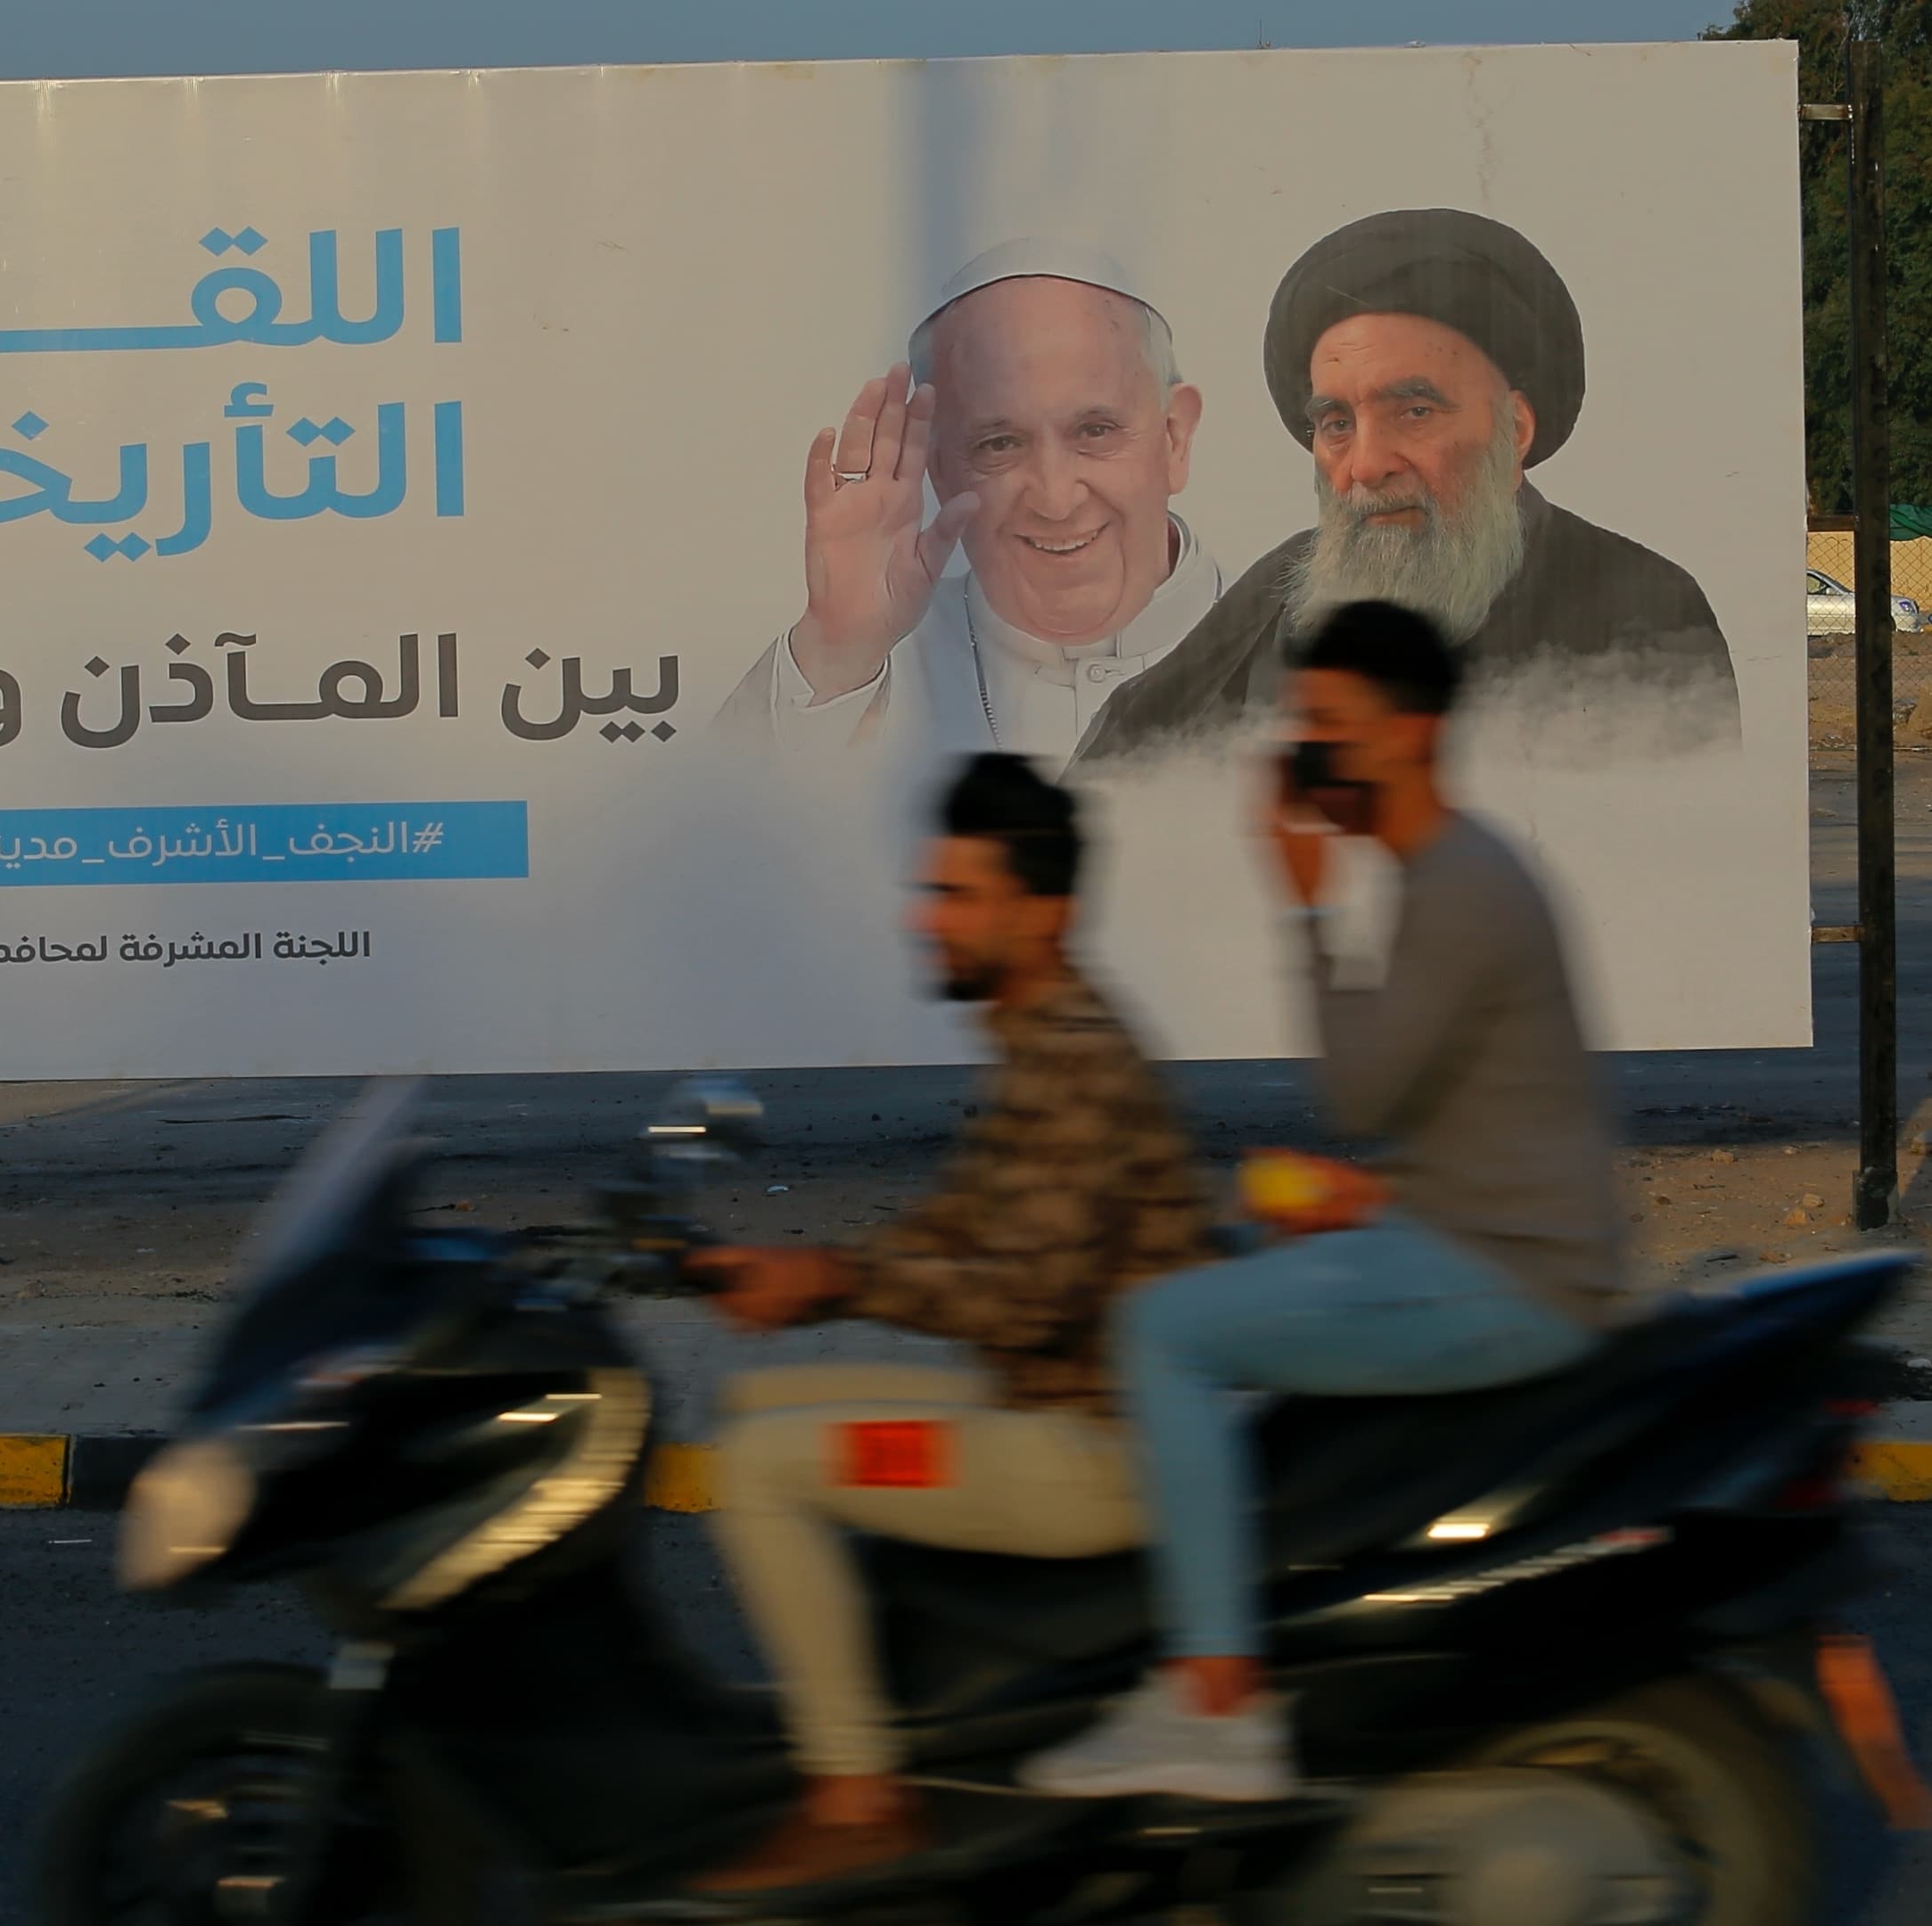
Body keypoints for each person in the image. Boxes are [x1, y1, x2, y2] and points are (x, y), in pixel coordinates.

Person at [1024, 600, 1632, 1802]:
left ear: (1407, 734)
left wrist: (1302, 903)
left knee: (1166, 1331)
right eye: (1300, 721)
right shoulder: (1442, 870)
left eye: (1327, 724)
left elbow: (1356, 1091)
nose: (1303, 749)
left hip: (1514, 1277)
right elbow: (1452, 1110)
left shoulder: (1457, 882)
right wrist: (1367, 1196)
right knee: (1214, 1244)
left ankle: (1216, 1697)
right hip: (1469, 1229)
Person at [684, 753, 1211, 1890]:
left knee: (761, 1466)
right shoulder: (1042, 1042)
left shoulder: (1074, 1064)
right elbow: (952, 1230)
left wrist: (830, 1284)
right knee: (746, 1404)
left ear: (1044, 913)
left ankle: (858, 1795)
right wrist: (774, 1268)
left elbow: (1025, 1298)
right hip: (1043, 1400)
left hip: (1092, 1454)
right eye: (932, 892)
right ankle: (870, 1692)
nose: (928, 922)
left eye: (959, 897)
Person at [1075, 209, 1739, 766]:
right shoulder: (1285, 584)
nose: (1365, 465)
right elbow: (1123, 770)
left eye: (1414, 412)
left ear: (1517, 429)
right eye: (1336, 422)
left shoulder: (1643, 604)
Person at [713, 239, 1222, 774]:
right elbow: (707, 843)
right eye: (999, 444)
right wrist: (835, 650)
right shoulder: (859, 672)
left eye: (1095, 432)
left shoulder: (1297, 648)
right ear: (939, 467)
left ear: (1174, 438)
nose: (1054, 500)